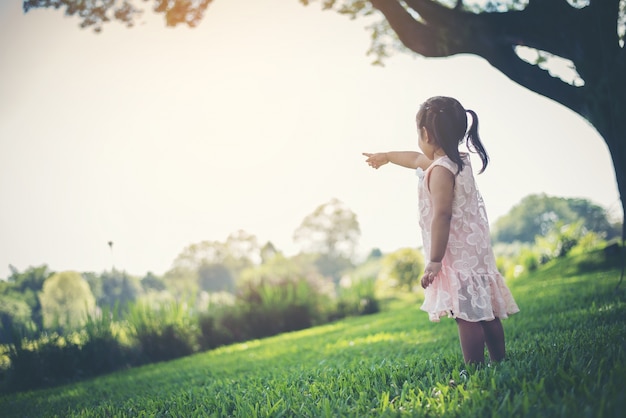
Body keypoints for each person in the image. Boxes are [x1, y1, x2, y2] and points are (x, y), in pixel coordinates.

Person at [363, 96, 519, 365]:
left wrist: (435, 261)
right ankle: (500, 360)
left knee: (466, 315)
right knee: (486, 311)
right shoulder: (458, 160)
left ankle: (475, 368)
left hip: (456, 253)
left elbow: (442, 215)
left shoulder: (440, 172)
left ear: (425, 133)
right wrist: (387, 157)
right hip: (476, 250)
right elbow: (415, 158)